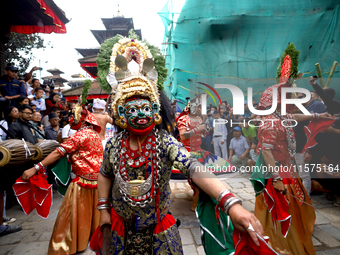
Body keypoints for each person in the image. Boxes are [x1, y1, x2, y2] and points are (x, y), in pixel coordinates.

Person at [89, 38, 262, 255]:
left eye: (145, 108)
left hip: (159, 232)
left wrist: (231, 203)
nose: (140, 114)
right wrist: (103, 209)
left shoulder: (163, 141)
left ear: (154, 109)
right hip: (120, 230)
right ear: (122, 113)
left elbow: (193, 167)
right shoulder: (115, 144)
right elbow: (104, 174)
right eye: (132, 109)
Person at [252, 81, 332, 255]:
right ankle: (280, 242)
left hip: (287, 168)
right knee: (281, 207)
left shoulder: (282, 117)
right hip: (277, 172)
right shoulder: (270, 123)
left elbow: (295, 118)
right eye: (288, 99)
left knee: (296, 203)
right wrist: (276, 179)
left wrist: (318, 116)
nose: (292, 102)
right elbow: (266, 152)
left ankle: (296, 232)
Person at [22, 94, 103, 254]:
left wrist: (36, 168)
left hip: (82, 185)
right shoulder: (94, 134)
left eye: (74, 116)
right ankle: (90, 242)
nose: (71, 119)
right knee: (93, 217)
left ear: (83, 119)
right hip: (97, 184)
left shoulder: (80, 135)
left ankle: (73, 245)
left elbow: (57, 153)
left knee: (70, 218)